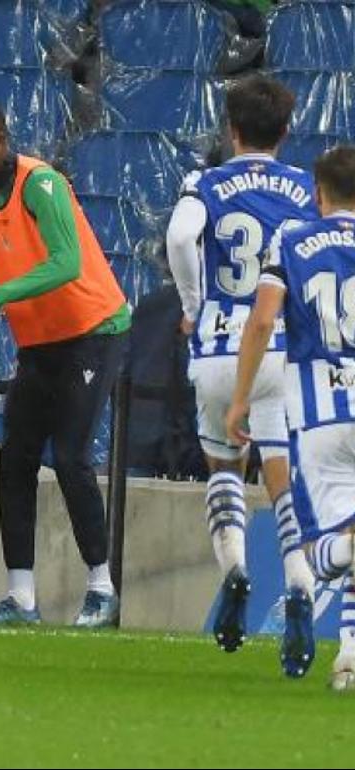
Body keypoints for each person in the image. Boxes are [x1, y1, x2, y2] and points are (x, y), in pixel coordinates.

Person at [0, 100, 129, 628]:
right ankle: (21, 599)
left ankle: (101, 589)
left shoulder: (39, 183)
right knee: (16, 458)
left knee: (69, 457)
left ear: (1, 141)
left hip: (93, 331)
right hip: (41, 339)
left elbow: (65, 263)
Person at [165, 74, 318, 674]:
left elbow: (181, 236)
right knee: (282, 476)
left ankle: (233, 568)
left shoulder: (206, 181)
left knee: (223, 462)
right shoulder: (308, 188)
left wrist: (192, 305)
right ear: (286, 129)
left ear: (230, 129)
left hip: (218, 345)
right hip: (280, 346)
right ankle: (300, 579)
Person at [226, 145, 355, 691]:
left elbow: (261, 321)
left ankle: (349, 653)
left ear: (318, 192)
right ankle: (349, 657)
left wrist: (240, 398)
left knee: (322, 554)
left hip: (322, 419)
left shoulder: (294, 239)